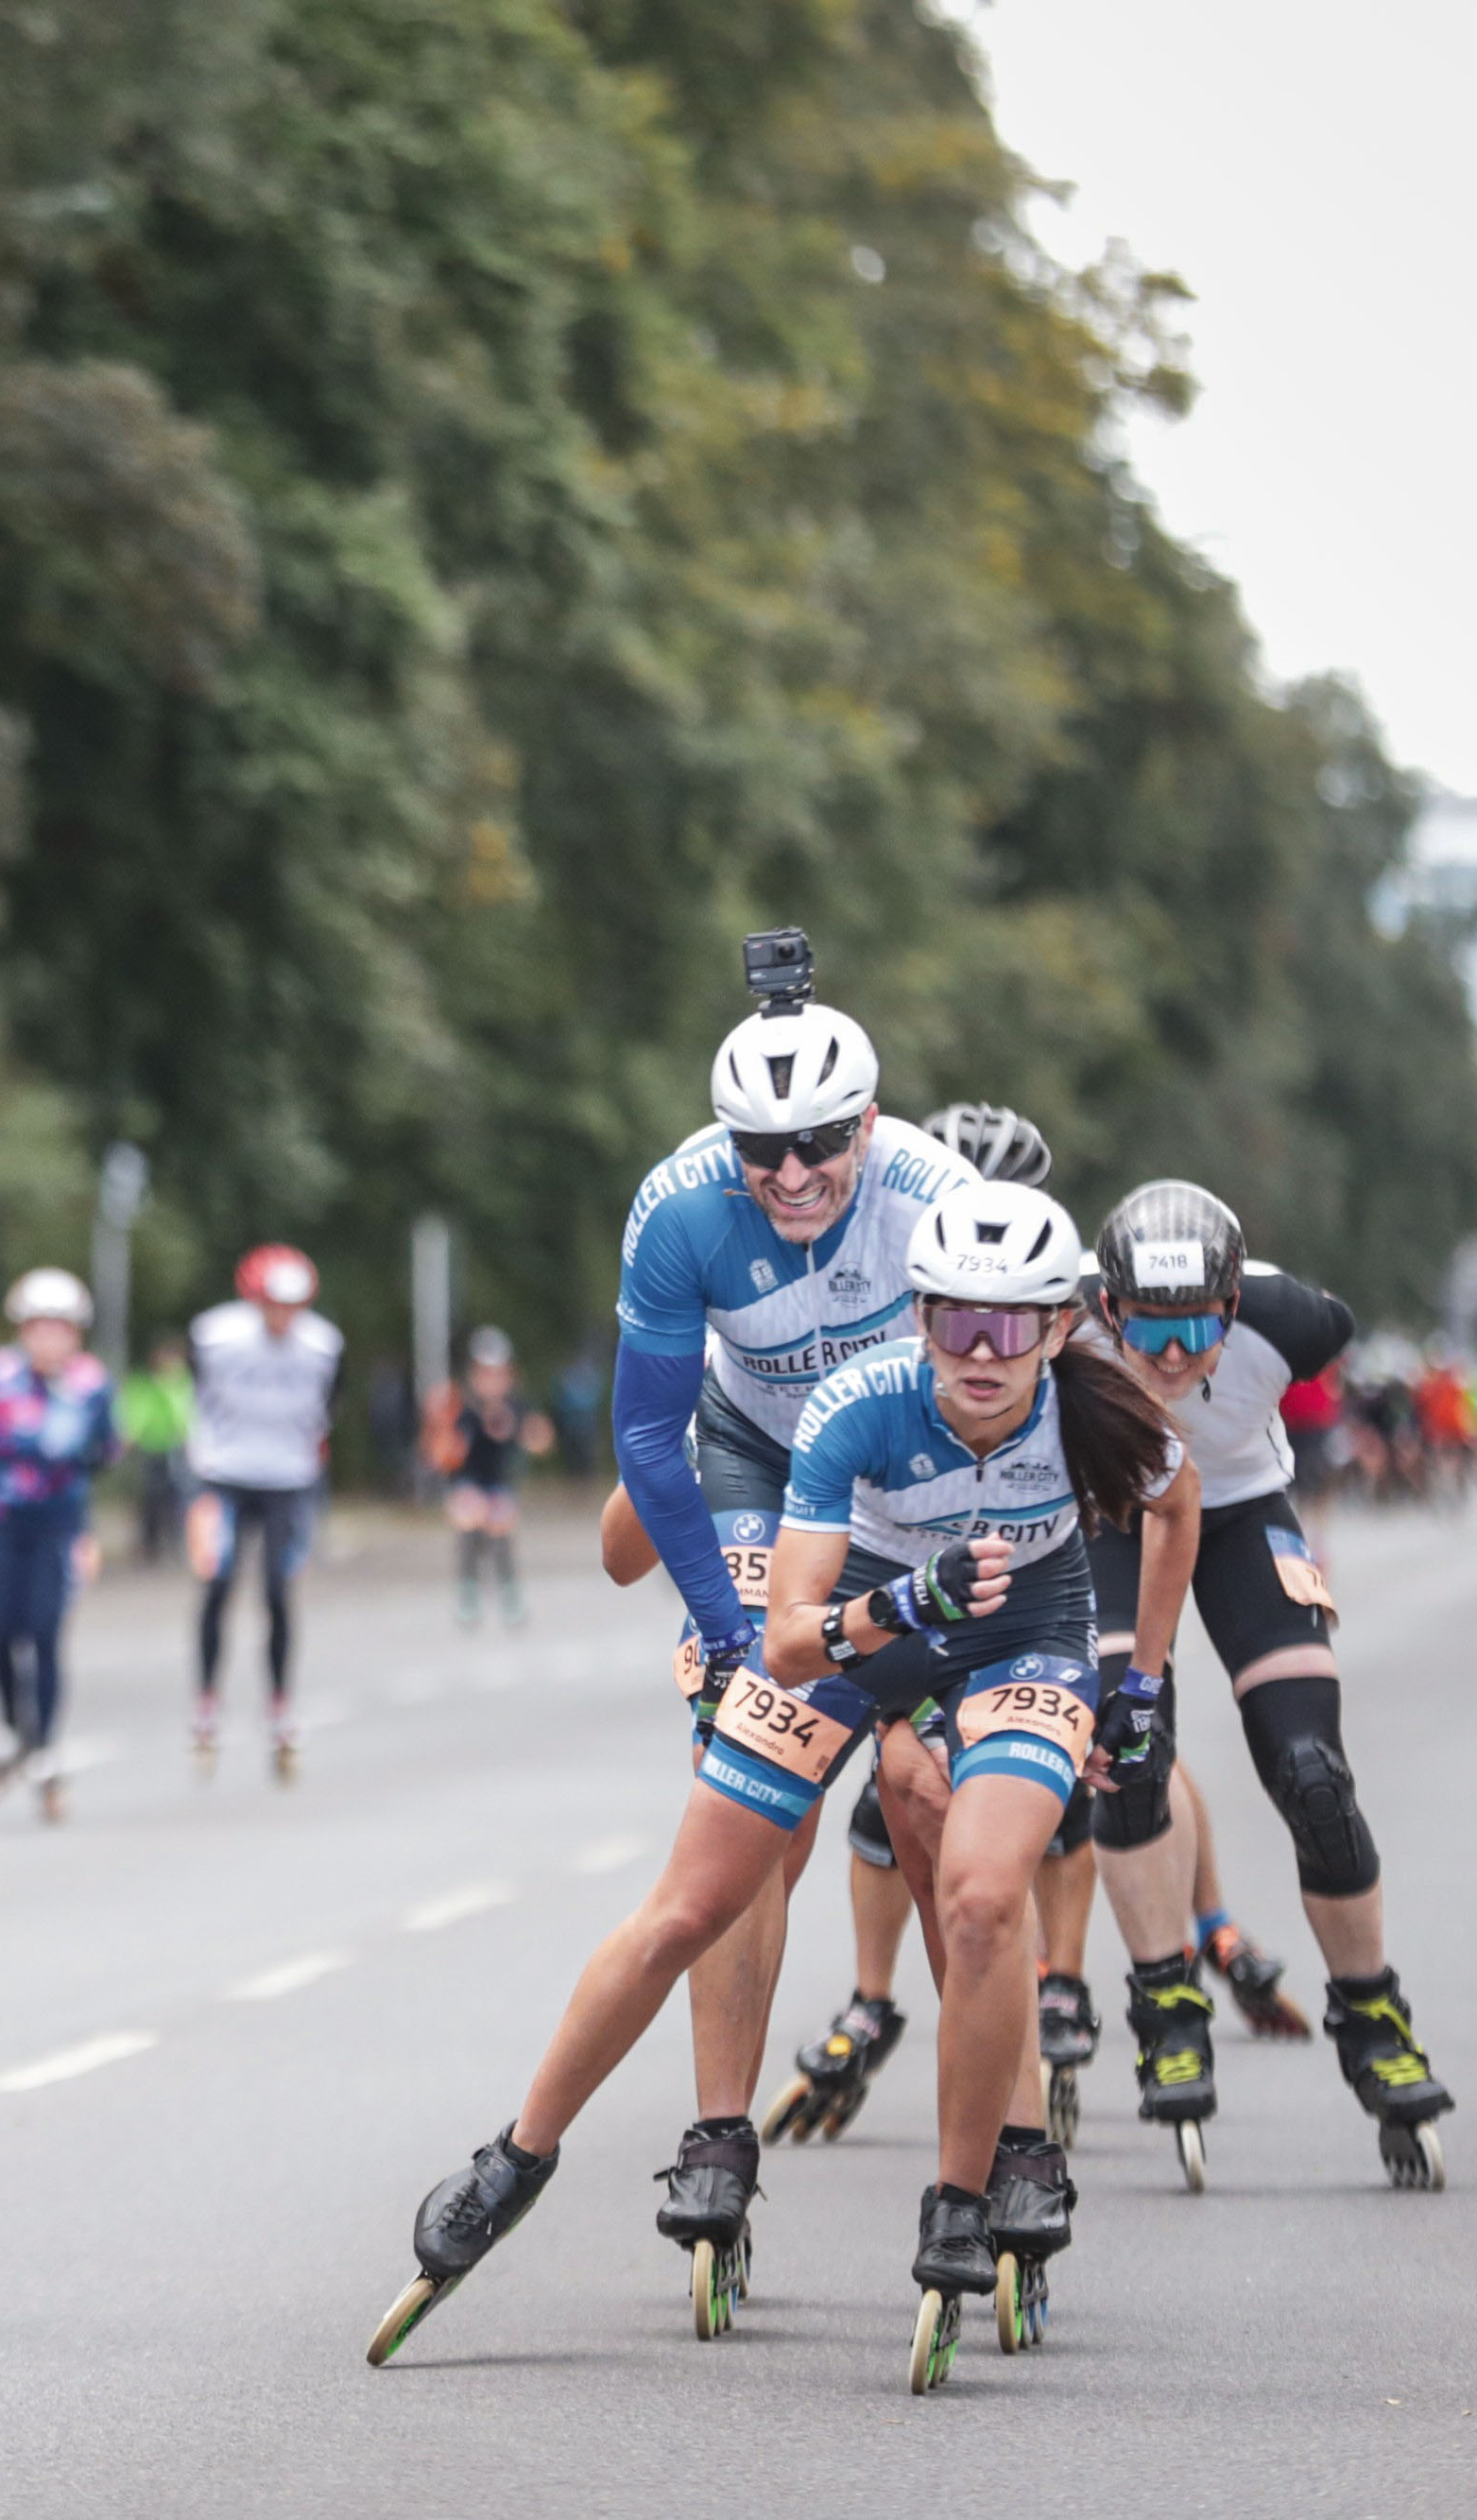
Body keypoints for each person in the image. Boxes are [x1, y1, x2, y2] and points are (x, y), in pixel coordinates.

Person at [368, 1179, 1197, 2368]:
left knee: (977, 1895)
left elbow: (1179, 1508)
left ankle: (968, 2195)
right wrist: (901, 1605)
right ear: (918, 1315)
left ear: (1058, 1326)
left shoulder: (1098, 1408)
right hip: (864, 1621)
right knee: (687, 1906)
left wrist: (1144, 1680)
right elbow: (792, 1639)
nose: (981, 1352)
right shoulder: (858, 1403)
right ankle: (513, 2159)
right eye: (956, 1319)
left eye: (1011, 1325)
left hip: (1021, 1640)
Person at [610, 932, 982, 2253]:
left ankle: (992, 2143)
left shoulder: (934, 1200)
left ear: (868, 1122)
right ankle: (719, 2134)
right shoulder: (679, 1207)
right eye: (760, 1149)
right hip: (757, 1461)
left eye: (820, 1141)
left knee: (929, 1796)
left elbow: (1011, 1395)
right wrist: (729, 1635)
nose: (791, 1173)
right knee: (752, 1789)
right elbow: (647, 1437)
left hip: (905, 1470)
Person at [1082, 1180, 1452, 2188]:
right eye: (1146, 1328)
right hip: (1115, 1517)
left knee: (1312, 1772)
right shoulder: (1060, 1325)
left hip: (1241, 1509)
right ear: (1107, 1306)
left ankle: (1371, 2015)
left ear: (1235, 1304)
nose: (1170, 1356)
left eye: (1196, 1327)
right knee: (1128, 1750)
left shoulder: (1299, 1321)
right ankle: (1167, 2003)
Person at [763, 1099, 1057, 2138]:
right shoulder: (882, 1287)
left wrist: (1135, 1674)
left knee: (1023, 1801)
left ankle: (1053, 1996)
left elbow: (1159, 1497)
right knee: (882, 1796)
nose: (980, 1330)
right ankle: (874, 1996)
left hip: (1010, 1580)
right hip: (892, 1556)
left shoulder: (1044, 1337)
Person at [186, 1245, 341, 1781]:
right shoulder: (214, 1337)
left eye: (292, 1307)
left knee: (277, 1591)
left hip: (288, 1481)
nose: (282, 1317)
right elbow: (194, 1393)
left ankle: (279, 1703)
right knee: (217, 1585)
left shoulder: (323, 1345)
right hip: (223, 1475)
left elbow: (329, 1407)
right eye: (273, 1305)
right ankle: (207, 1700)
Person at [0, 1269, 117, 1821]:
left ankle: (45, 1749)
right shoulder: (4, 1378)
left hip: (60, 1526)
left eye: (60, 1328)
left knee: (44, 1632)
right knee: (4, 1630)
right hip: (6, 1521)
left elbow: (104, 1450)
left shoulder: (90, 1385)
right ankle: (13, 1731)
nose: (48, 1339)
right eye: (39, 1327)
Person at [422, 1328, 554, 1628]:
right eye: (486, 1373)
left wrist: (528, 1434)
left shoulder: (516, 1406)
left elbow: (541, 1439)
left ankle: (508, 1589)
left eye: (498, 1373)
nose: (492, 1380)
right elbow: (439, 1452)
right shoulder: (459, 1407)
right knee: (468, 1519)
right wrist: (444, 1439)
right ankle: (469, 1588)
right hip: (467, 1484)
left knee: (500, 1523)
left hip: (499, 1485)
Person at [118, 1333, 194, 1561]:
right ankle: (150, 1543)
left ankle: (177, 1542)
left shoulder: (184, 1384)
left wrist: (190, 1437)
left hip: (178, 1446)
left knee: (179, 1495)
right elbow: (138, 1412)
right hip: (152, 1447)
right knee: (151, 1496)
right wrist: (130, 1435)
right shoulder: (145, 1383)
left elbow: (189, 1413)